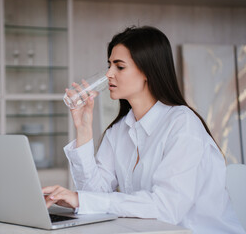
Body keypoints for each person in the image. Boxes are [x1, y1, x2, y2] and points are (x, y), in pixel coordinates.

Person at [42, 26, 245, 233]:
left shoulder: (182, 124)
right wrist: (83, 129)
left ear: (148, 71)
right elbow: (95, 194)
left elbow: (166, 208)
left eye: (119, 67)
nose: (109, 74)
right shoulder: (119, 130)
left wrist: (81, 200)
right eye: (109, 65)